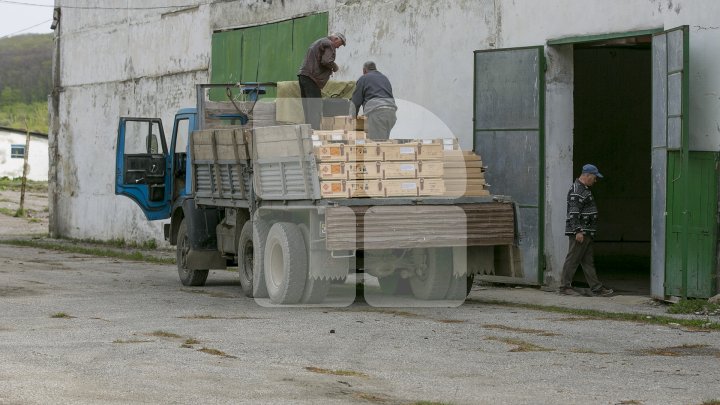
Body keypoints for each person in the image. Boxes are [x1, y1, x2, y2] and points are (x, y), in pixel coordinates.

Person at [559, 164, 614, 297]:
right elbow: (573, 212)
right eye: (594, 177)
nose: (595, 180)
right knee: (573, 259)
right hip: (581, 233)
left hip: (587, 232)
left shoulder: (584, 189)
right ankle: (564, 287)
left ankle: (597, 288)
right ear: (587, 175)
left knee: (588, 262)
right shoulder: (577, 190)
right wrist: (578, 231)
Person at [297, 32, 346, 129]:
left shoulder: (319, 42)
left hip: (303, 76)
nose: (338, 47)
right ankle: (315, 133)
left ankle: (308, 132)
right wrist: (335, 67)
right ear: (335, 39)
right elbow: (326, 61)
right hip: (312, 78)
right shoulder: (330, 44)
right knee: (315, 107)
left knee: (307, 108)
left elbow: (321, 60)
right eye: (339, 45)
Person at [350, 61, 397, 141]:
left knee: (376, 144)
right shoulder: (384, 78)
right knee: (383, 142)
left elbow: (355, 102)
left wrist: (351, 121)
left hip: (377, 114)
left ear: (364, 71)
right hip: (391, 114)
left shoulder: (363, 78)